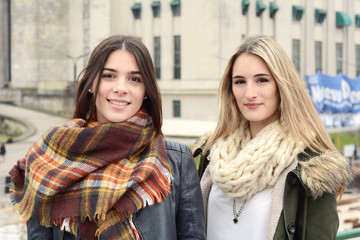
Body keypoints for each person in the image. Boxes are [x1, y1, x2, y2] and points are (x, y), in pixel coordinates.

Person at [9, 35, 206, 240]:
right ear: (92, 84)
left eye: (134, 79)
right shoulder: (47, 160)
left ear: (146, 90)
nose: (121, 88)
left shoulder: (177, 160)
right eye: (109, 76)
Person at [193, 35, 353, 240]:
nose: (249, 93)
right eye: (240, 81)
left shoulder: (312, 169)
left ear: (282, 85)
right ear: (230, 89)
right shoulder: (211, 154)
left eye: (262, 80)